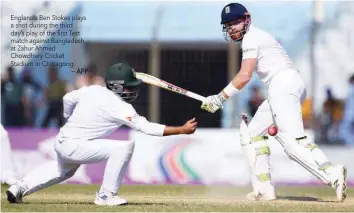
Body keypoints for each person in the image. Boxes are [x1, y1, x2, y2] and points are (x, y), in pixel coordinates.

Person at [201, 3, 347, 202]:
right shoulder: (255, 37)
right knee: (251, 135)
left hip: (283, 85)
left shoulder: (252, 38)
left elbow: (244, 76)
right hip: (285, 86)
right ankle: (263, 189)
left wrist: (220, 98)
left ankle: (332, 174)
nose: (233, 27)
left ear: (247, 18)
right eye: (229, 25)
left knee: (293, 145)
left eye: (236, 22)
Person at [6, 63, 197, 206]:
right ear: (117, 86)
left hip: (63, 140)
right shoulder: (121, 107)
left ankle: (19, 188)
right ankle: (106, 195)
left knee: (62, 170)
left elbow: (67, 98)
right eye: (130, 86)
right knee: (124, 147)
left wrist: (67, 117)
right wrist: (181, 129)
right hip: (76, 146)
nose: (134, 89)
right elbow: (147, 128)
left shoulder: (92, 89)